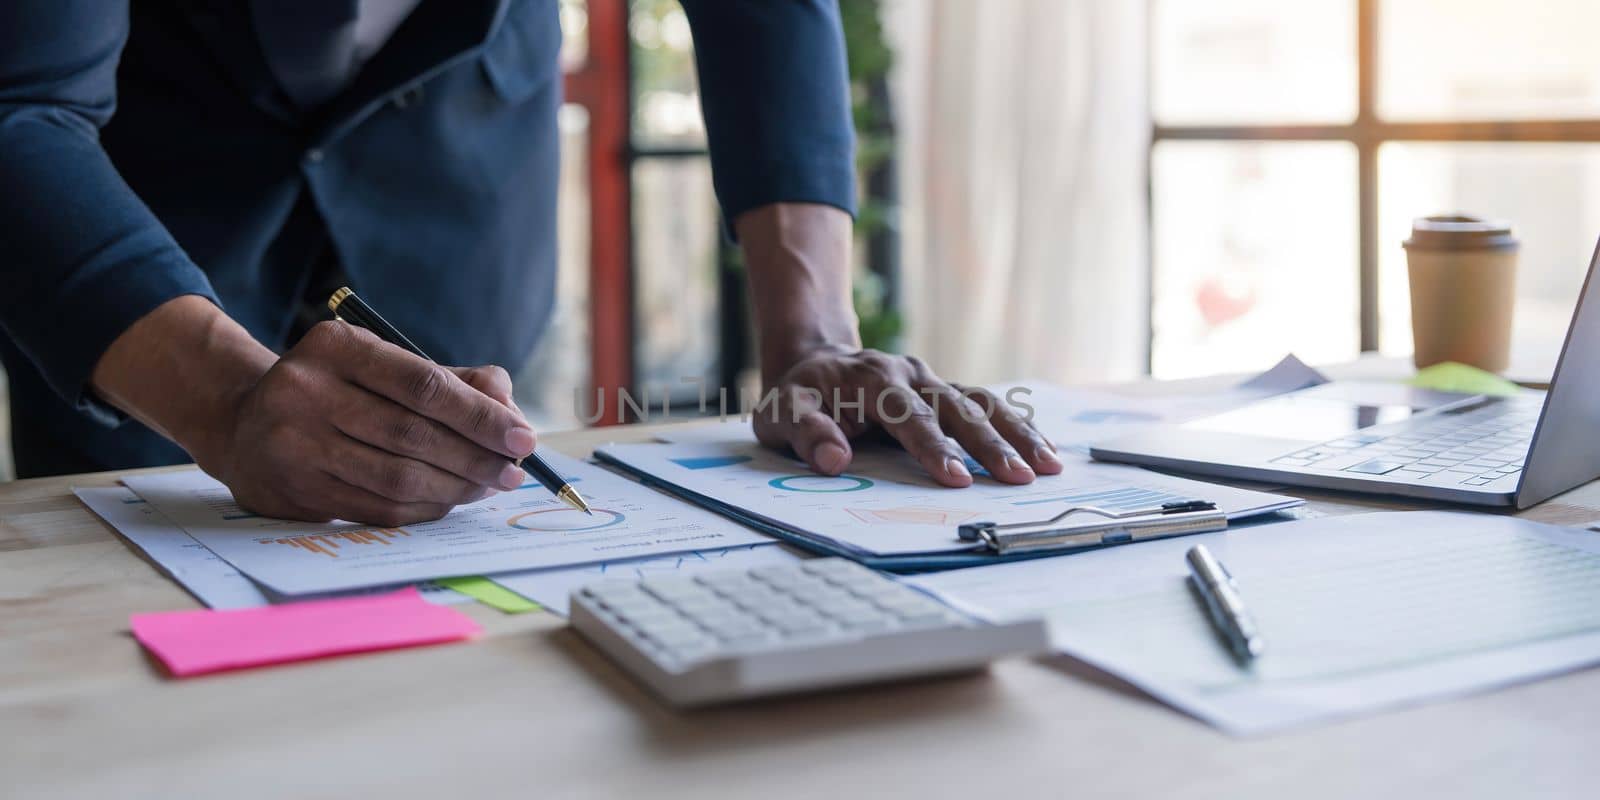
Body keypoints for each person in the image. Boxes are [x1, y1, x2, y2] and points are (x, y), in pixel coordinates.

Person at [0, 0, 1061, 525]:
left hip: (455, 196)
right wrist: (225, 398)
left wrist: (813, 340)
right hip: (131, 242)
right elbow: (16, 102)